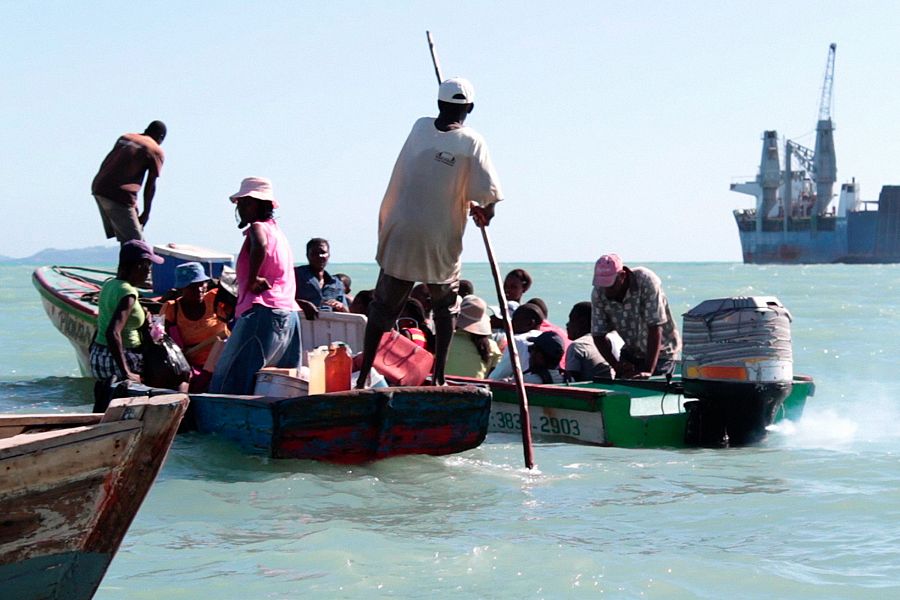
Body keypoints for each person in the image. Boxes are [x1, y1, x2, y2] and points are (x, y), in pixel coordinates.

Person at [355, 77, 503, 388]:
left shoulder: (420, 127)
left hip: (401, 230)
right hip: (438, 237)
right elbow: (488, 194)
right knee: (445, 306)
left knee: (383, 307)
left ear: (438, 104)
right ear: (470, 108)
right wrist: (483, 212)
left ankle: (365, 373)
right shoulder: (472, 141)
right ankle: (437, 379)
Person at [209, 177, 303, 395]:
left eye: (245, 203)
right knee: (277, 382)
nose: (240, 208)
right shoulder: (278, 233)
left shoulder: (258, 228)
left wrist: (251, 279)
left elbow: (259, 244)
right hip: (288, 315)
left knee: (228, 378)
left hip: (263, 312)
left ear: (259, 205)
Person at [89, 240, 164, 409]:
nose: (149, 272)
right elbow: (112, 332)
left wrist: (92, 353)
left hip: (99, 355)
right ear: (138, 266)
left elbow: (100, 325)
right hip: (118, 359)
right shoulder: (128, 293)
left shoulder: (109, 285)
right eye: (148, 267)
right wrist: (126, 373)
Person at [591, 253, 680, 378]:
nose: (607, 291)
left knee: (652, 389)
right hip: (631, 351)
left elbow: (655, 327)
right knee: (622, 390)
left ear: (622, 275)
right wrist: (617, 366)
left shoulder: (645, 280)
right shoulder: (599, 292)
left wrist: (648, 370)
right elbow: (598, 335)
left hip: (661, 352)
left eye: (611, 285)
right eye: (603, 285)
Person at [91, 121, 166, 242]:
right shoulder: (155, 150)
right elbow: (150, 186)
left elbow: (114, 165)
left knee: (127, 238)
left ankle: (126, 259)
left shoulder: (126, 137)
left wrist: (133, 206)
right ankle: (133, 260)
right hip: (119, 194)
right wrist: (146, 213)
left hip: (99, 187)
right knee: (136, 243)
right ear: (160, 137)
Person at [163, 262, 230, 392]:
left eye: (202, 284)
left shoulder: (215, 298)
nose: (200, 289)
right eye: (193, 286)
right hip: (190, 366)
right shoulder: (172, 308)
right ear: (182, 288)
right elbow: (166, 341)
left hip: (221, 362)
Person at [445, 295, 502, 379]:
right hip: (476, 390)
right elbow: (495, 375)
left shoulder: (444, 341)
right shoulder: (491, 346)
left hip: (444, 389)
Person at [294, 238, 349, 319]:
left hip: (328, 328)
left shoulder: (336, 283)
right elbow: (281, 300)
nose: (319, 256)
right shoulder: (296, 275)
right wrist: (301, 304)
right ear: (307, 255)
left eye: (323, 253)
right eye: (315, 253)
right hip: (301, 325)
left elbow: (347, 314)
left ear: (329, 255)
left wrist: (341, 307)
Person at [488, 302, 544, 380]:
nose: (510, 325)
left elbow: (497, 375)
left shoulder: (517, 341)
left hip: (525, 387)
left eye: (515, 320)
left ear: (529, 323)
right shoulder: (547, 339)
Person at [564, 301, 612, 381]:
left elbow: (571, 383)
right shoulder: (605, 342)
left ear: (582, 322)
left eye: (571, 320)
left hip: (590, 391)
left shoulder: (577, 346)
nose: (567, 324)